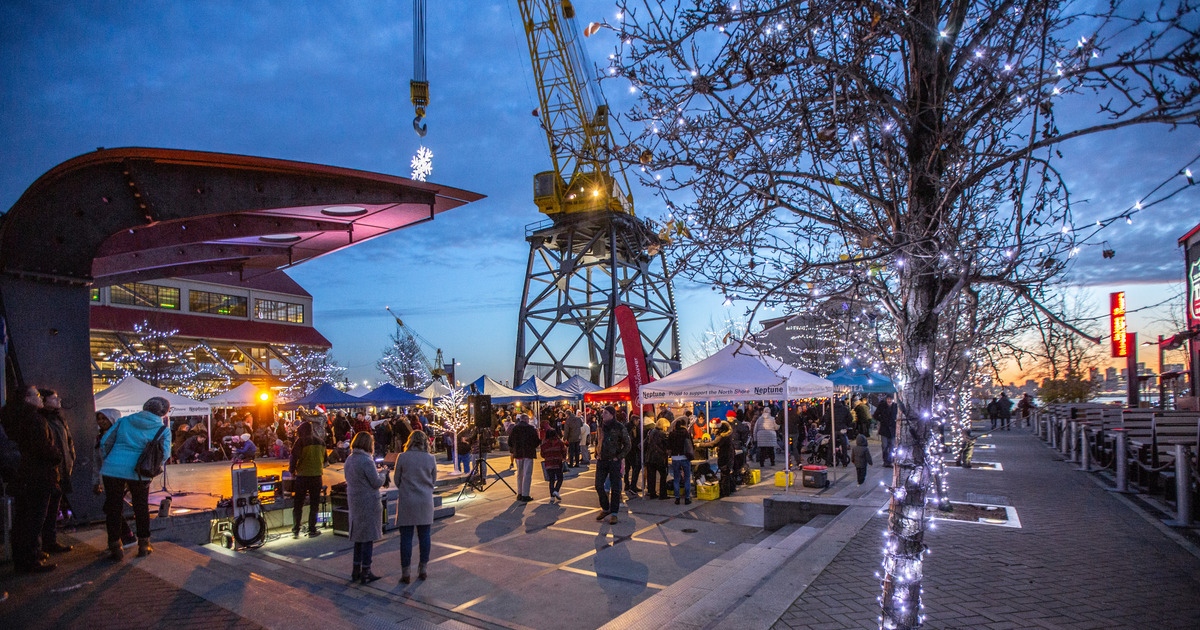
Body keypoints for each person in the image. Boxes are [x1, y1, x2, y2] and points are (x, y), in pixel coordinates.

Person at [100, 396, 172, 561]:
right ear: (164, 412)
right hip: (140, 472)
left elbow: (105, 442)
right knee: (141, 507)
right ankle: (144, 544)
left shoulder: (124, 421)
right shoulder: (163, 430)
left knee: (113, 507)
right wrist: (153, 468)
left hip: (113, 468)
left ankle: (115, 545)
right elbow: (165, 454)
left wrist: (111, 459)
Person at [2, 385, 62, 573]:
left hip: (22, 476)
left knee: (23, 519)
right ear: (27, 399)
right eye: (37, 395)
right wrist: (56, 455)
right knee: (33, 519)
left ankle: (26, 556)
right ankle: (29, 560)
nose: (40, 398)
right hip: (37, 476)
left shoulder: (13, 418)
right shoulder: (33, 419)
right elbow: (42, 447)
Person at [395, 430, 437, 583]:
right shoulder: (430, 458)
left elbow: (397, 479)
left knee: (406, 538)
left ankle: (406, 572)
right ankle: (423, 568)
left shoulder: (402, 457)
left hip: (407, 500)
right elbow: (433, 480)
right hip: (424, 501)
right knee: (424, 536)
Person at [37, 389, 75, 553]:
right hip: (49, 472)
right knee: (43, 511)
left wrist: (70, 459)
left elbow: (68, 442)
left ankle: (49, 542)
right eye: (54, 398)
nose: (58, 400)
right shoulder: (41, 420)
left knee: (53, 509)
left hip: (62, 470)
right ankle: (39, 546)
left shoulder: (59, 419)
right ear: (44, 401)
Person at [344, 431, 385, 583]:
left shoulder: (349, 459)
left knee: (358, 537)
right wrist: (383, 474)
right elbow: (376, 482)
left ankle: (356, 569)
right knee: (368, 537)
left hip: (354, 500)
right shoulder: (366, 461)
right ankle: (366, 571)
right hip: (368, 501)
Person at [594, 406, 630, 523]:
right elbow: (597, 440)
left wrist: (618, 457)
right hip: (602, 460)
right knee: (598, 485)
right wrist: (596, 453)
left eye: (605, 413)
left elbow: (628, 444)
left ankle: (614, 513)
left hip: (614, 461)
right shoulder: (601, 426)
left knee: (615, 488)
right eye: (603, 413)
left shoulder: (619, 427)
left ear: (611, 414)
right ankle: (605, 508)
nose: (603, 415)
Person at [289, 422, 325, 539]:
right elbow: (325, 459)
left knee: (298, 504)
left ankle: (296, 530)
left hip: (302, 476)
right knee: (314, 504)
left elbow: (294, 457)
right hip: (317, 476)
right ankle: (312, 529)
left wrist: (292, 470)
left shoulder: (300, 441)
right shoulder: (321, 442)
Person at [509, 413, 540, 502]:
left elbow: (510, 442)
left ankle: (519, 493)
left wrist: (515, 448)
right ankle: (525, 494)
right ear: (526, 420)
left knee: (520, 474)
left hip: (518, 454)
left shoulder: (515, 429)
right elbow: (536, 441)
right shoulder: (531, 429)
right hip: (528, 453)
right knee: (527, 474)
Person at [667, 419, 694, 505]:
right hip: (685, 457)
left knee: (676, 478)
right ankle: (687, 498)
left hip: (675, 458)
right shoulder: (686, 433)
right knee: (687, 478)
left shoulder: (671, 434)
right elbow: (691, 445)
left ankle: (677, 498)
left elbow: (668, 446)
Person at [643, 417, 669, 500]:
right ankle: (662, 494)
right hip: (659, 457)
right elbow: (666, 445)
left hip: (649, 457)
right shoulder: (662, 434)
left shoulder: (651, 432)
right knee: (663, 475)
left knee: (651, 476)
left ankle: (652, 493)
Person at [540, 428, 568, 501]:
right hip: (558, 462)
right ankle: (556, 490)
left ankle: (552, 497)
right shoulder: (559, 442)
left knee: (551, 480)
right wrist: (563, 457)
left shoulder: (544, 444)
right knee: (560, 478)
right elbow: (564, 451)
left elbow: (542, 454)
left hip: (548, 463)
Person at [874, 394, 898, 467]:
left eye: (890, 399)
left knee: (892, 446)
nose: (889, 400)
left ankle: (890, 460)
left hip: (892, 429)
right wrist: (882, 420)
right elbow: (875, 415)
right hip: (884, 429)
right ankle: (885, 461)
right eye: (888, 399)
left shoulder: (895, 406)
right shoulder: (882, 406)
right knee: (885, 446)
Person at [624, 414, 643, 494]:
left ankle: (627, 485)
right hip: (632, 450)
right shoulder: (634, 428)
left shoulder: (625, 426)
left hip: (626, 450)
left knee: (627, 468)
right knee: (636, 468)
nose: (639, 422)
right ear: (635, 420)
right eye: (638, 421)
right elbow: (635, 439)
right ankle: (633, 486)